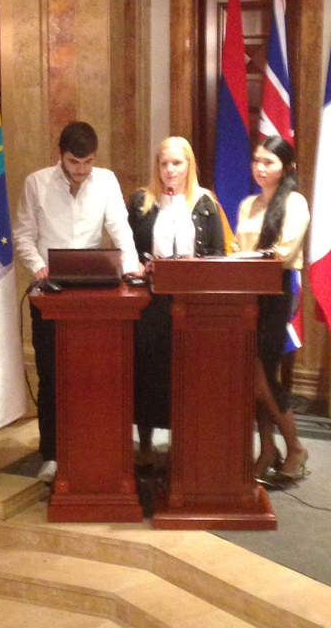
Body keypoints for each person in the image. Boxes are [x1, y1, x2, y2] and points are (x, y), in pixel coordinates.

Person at [13, 121, 141, 483]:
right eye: (74, 162)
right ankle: (52, 454)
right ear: (60, 155)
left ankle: (92, 450)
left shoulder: (106, 181)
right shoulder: (37, 183)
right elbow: (23, 234)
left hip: (91, 291)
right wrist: (37, 267)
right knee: (51, 375)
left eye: (88, 162)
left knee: (92, 376)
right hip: (49, 291)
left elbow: (121, 230)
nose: (81, 170)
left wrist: (131, 268)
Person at [127, 137, 225, 459]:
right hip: (151, 302)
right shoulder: (142, 201)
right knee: (148, 371)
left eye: (177, 163)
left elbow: (218, 254)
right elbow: (128, 249)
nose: (170, 170)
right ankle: (144, 445)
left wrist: (195, 265)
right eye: (164, 163)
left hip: (191, 303)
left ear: (189, 165)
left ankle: (182, 446)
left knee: (185, 374)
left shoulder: (205, 202)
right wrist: (140, 266)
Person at [231, 135, 309, 481]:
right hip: (245, 294)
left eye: (269, 162)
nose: (260, 168)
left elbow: (283, 253)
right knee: (252, 378)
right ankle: (266, 450)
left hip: (276, 294)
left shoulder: (295, 202)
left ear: (286, 168)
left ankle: (295, 447)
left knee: (262, 377)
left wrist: (245, 258)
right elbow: (236, 249)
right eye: (256, 161)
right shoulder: (247, 204)